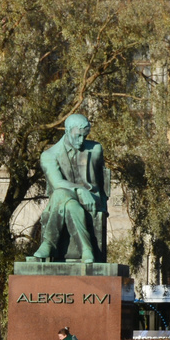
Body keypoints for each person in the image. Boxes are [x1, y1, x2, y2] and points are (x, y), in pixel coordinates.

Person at [30, 113, 108, 263]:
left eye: (84, 137)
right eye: (78, 136)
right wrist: (79, 190)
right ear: (67, 130)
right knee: (68, 202)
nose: (81, 141)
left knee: (60, 195)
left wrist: (100, 201)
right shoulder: (49, 155)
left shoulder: (95, 149)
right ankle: (86, 249)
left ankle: (49, 243)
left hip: (90, 199)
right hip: (67, 198)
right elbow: (57, 182)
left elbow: (102, 180)